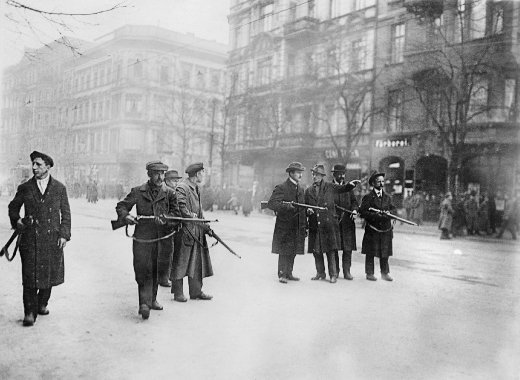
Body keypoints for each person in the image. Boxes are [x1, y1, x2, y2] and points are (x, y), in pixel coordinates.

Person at [8, 151, 71, 327]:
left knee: (48, 273)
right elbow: (13, 207)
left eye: (38, 164)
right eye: (33, 164)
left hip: (52, 239)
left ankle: (42, 303)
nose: (34, 168)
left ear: (48, 167)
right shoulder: (25, 187)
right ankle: (29, 311)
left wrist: (64, 235)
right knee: (29, 275)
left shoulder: (59, 188)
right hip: (29, 238)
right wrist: (17, 220)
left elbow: (66, 214)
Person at [115, 161, 179, 320]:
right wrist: (127, 216)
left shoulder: (170, 193)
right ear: (149, 174)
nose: (160, 177)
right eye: (156, 173)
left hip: (162, 238)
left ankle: (152, 299)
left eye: (163, 174)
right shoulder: (138, 191)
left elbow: (176, 215)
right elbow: (122, 206)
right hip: (142, 238)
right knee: (142, 269)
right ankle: (144, 303)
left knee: (157, 269)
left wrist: (166, 221)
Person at [305, 164, 360, 283]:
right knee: (316, 250)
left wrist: (350, 185)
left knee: (331, 249)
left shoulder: (329, 186)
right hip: (315, 223)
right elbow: (305, 206)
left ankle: (333, 274)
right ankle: (320, 272)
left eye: (317, 174)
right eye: (313, 174)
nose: (315, 176)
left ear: (322, 176)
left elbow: (342, 188)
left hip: (328, 223)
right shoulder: (308, 190)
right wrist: (308, 211)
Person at [171, 162, 214, 302]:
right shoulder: (182, 187)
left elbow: (199, 211)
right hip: (185, 230)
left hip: (196, 230)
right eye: (203, 172)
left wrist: (206, 227)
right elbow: (181, 208)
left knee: (197, 262)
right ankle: (178, 293)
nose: (203, 175)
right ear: (197, 174)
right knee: (181, 261)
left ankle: (196, 291)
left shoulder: (196, 188)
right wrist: (191, 217)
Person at [267, 162, 307, 284]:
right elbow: (271, 204)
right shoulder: (282, 187)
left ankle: (289, 272)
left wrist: (304, 225)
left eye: (301, 172)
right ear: (291, 173)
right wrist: (286, 207)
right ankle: (282, 273)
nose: (300, 175)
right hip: (285, 225)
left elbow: (302, 209)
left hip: (296, 225)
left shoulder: (300, 189)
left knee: (293, 250)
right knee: (284, 250)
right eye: (298, 172)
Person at [359, 171, 396, 282]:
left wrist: (389, 213)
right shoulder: (368, 197)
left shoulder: (388, 197)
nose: (381, 183)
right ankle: (369, 273)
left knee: (384, 251)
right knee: (370, 251)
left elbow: (393, 209)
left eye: (382, 181)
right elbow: (363, 212)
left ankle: (385, 273)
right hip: (372, 228)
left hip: (385, 229)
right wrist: (376, 215)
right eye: (378, 181)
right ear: (373, 183)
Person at [331, 164, 359, 280]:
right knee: (335, 247)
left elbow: (354, 202)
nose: (342, 176)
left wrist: (354, 210)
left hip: (347, 222)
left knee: (348, 248)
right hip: (335, 221)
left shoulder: (349, 188)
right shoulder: (330, 187)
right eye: (339, 174)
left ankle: (347, 271)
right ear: (334, 174)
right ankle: (335, 271)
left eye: (343, 174)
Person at [157, 169, 183, 288]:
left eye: (177, 181)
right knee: (165, 253)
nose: (176, 183)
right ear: (167, 181)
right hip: (164, 227)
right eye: (174, 180)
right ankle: (162, 278)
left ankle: (163, 277)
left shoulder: (172, 192)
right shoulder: (165, 192)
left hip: (170, 226)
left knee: (167, 253)